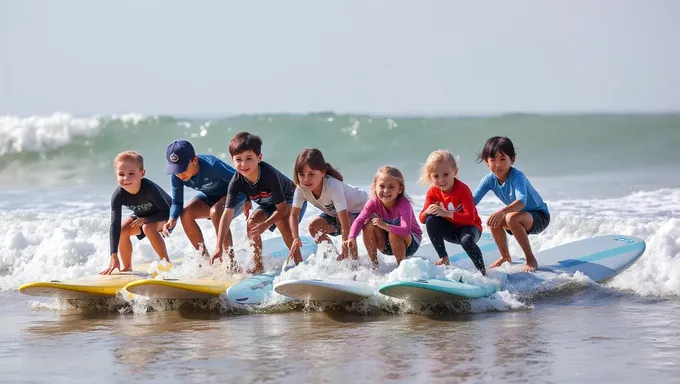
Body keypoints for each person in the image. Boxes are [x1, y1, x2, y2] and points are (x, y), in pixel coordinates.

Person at [210, 132, 306, 274]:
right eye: (238, 159)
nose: (244, 164)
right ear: (232, 160)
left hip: (291, 199)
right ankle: (258, 266)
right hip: (269, 205)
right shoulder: (236, 182)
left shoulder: (269, 175)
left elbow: (282, 209)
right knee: (251, 223)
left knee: (281, 221)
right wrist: (218, 247)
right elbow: (227, 214)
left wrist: (266, 224)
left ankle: (300, 266)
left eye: (249, 158)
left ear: (259, 157)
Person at [162, 140, 246, 267]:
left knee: (215, 212)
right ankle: (206, 260)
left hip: (237, 196)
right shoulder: (177, 176)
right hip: (212, 198)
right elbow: (177, 202)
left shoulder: (212, 166)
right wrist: (172, 218)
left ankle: (232, 263)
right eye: (176, 170)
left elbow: (240, 182)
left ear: (195, 160)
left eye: (183, 169)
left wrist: (250, 201)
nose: (180, 174)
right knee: (185, 213)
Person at [473, 136, 550, 272]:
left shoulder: (517, 176)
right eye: (493, 160)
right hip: (519, 216)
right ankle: (505, 257)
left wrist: (502, 212)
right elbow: (472, 202)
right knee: (492, 221)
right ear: (486, 161)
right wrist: (449, 211)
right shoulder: (488, 180)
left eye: (502, 159)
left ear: (512, 159)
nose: (498, 164)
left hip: (539, 217)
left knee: (509, 217)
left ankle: (531, 259)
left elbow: (522, 201)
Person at [287, 148, 369, 263]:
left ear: (323, 172)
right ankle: (334, 259)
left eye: (311, 174)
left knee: (348, 218)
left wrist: (345, 249)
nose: (306, 179)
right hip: (337, 214)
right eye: (301, 174)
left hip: (363, 210)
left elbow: (345, 220)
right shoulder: (301, 189)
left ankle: (354, 263)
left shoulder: (332, 186)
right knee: (313, 227)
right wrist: (295, 237)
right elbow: (294, 216)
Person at [101, 151, 172, 275]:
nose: (126, 178)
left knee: (147, 227)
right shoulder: (118, 195)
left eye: (131, 173)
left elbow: (167, 212)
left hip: (167, 215)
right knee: (123, 229)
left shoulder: (149, 189)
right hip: (143, 215)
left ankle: (166, 263)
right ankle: (127, 267)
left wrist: (146, 220)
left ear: (142, 173)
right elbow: (114, 225)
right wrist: (113, 255)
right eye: (121, 174)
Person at [419, 150, 486, 275]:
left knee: (466, 240)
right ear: (430, 176)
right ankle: (443, 258)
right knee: (431, 219)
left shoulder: (463, 189)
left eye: (445, 174)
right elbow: (422, 219)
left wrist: (446, 213)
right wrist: (427, 211)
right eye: (436, 176)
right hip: (451, 231)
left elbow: (470, 219)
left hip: (470, 229)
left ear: (455, 172)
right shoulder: (432, 192)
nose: (441, 180)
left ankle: (483, 273)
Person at [345, 166, 422, 267]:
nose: (386, 190)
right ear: (375, 187)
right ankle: (374, 266)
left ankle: (401, 268)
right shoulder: (373, 203)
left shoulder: (404, 204)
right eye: (382, 186)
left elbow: (405, 230)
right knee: (368, 224)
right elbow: (359, 220)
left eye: (391, 187)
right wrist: (351, 237)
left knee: (394, 232)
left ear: (400, 189)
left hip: (410, 244)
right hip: (387, 244)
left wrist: (386, 226)